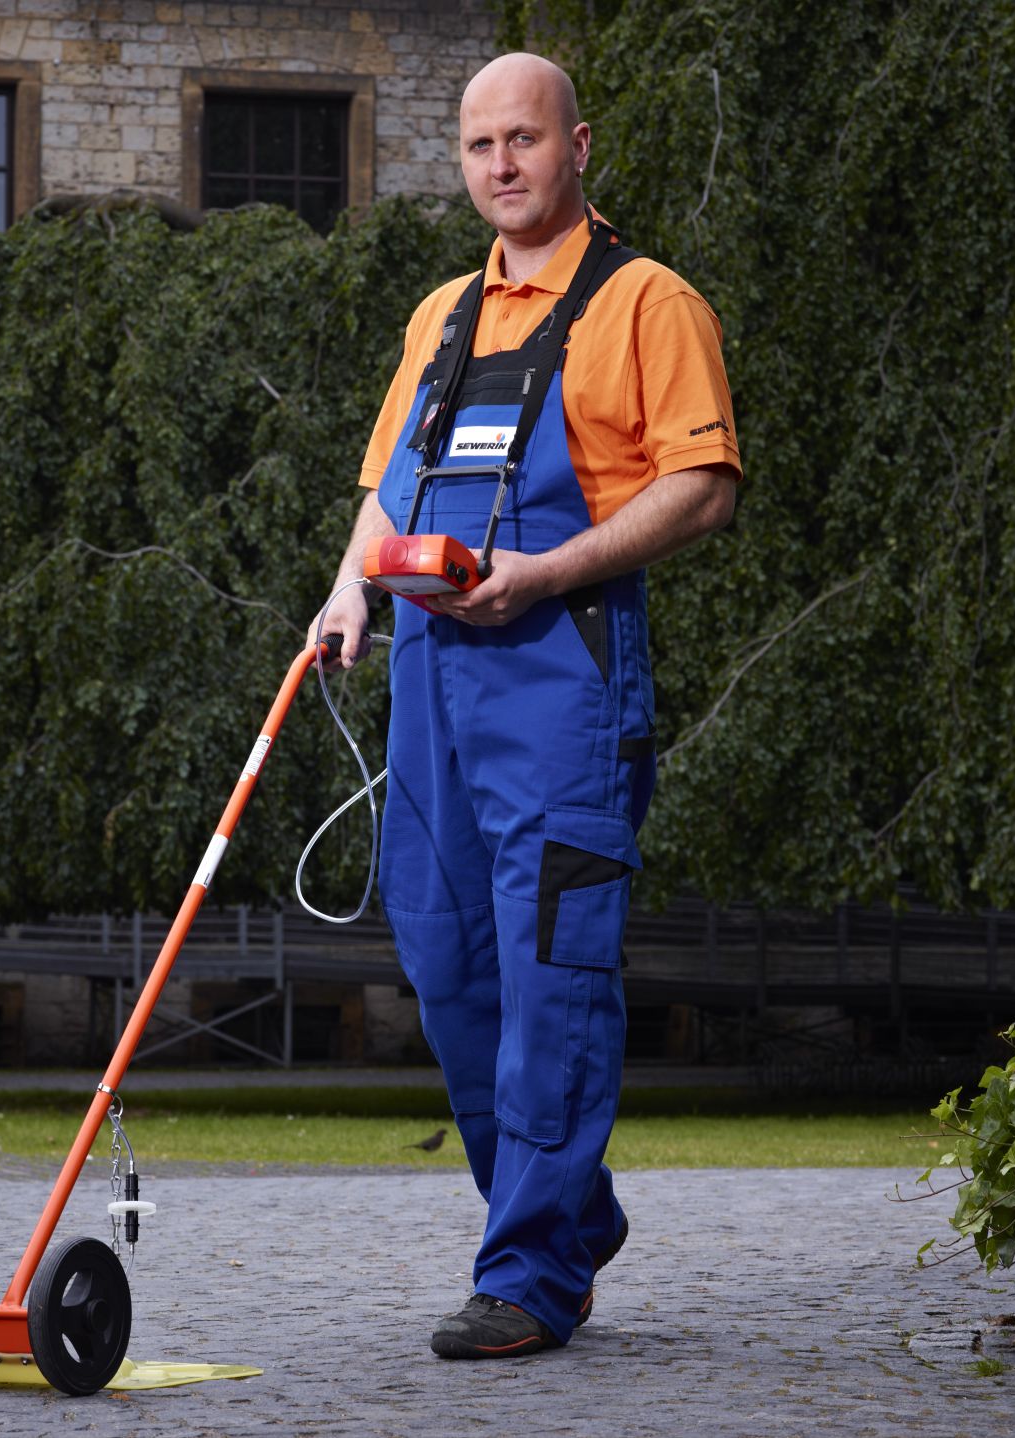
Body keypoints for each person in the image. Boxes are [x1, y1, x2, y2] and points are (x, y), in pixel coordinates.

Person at [314, 51, 740, 1359]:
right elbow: (391, 486)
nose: (502, 165)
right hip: (432, 688)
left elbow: (704, 485)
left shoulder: (649, 302)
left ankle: (532, 1273)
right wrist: (347, 593)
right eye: (479, 145)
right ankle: (570, 1212)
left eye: (525, 140)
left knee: (553, 975)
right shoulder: (442, 317)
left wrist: (545, 571)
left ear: (579, 145)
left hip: (563, 685)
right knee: (447, 967)